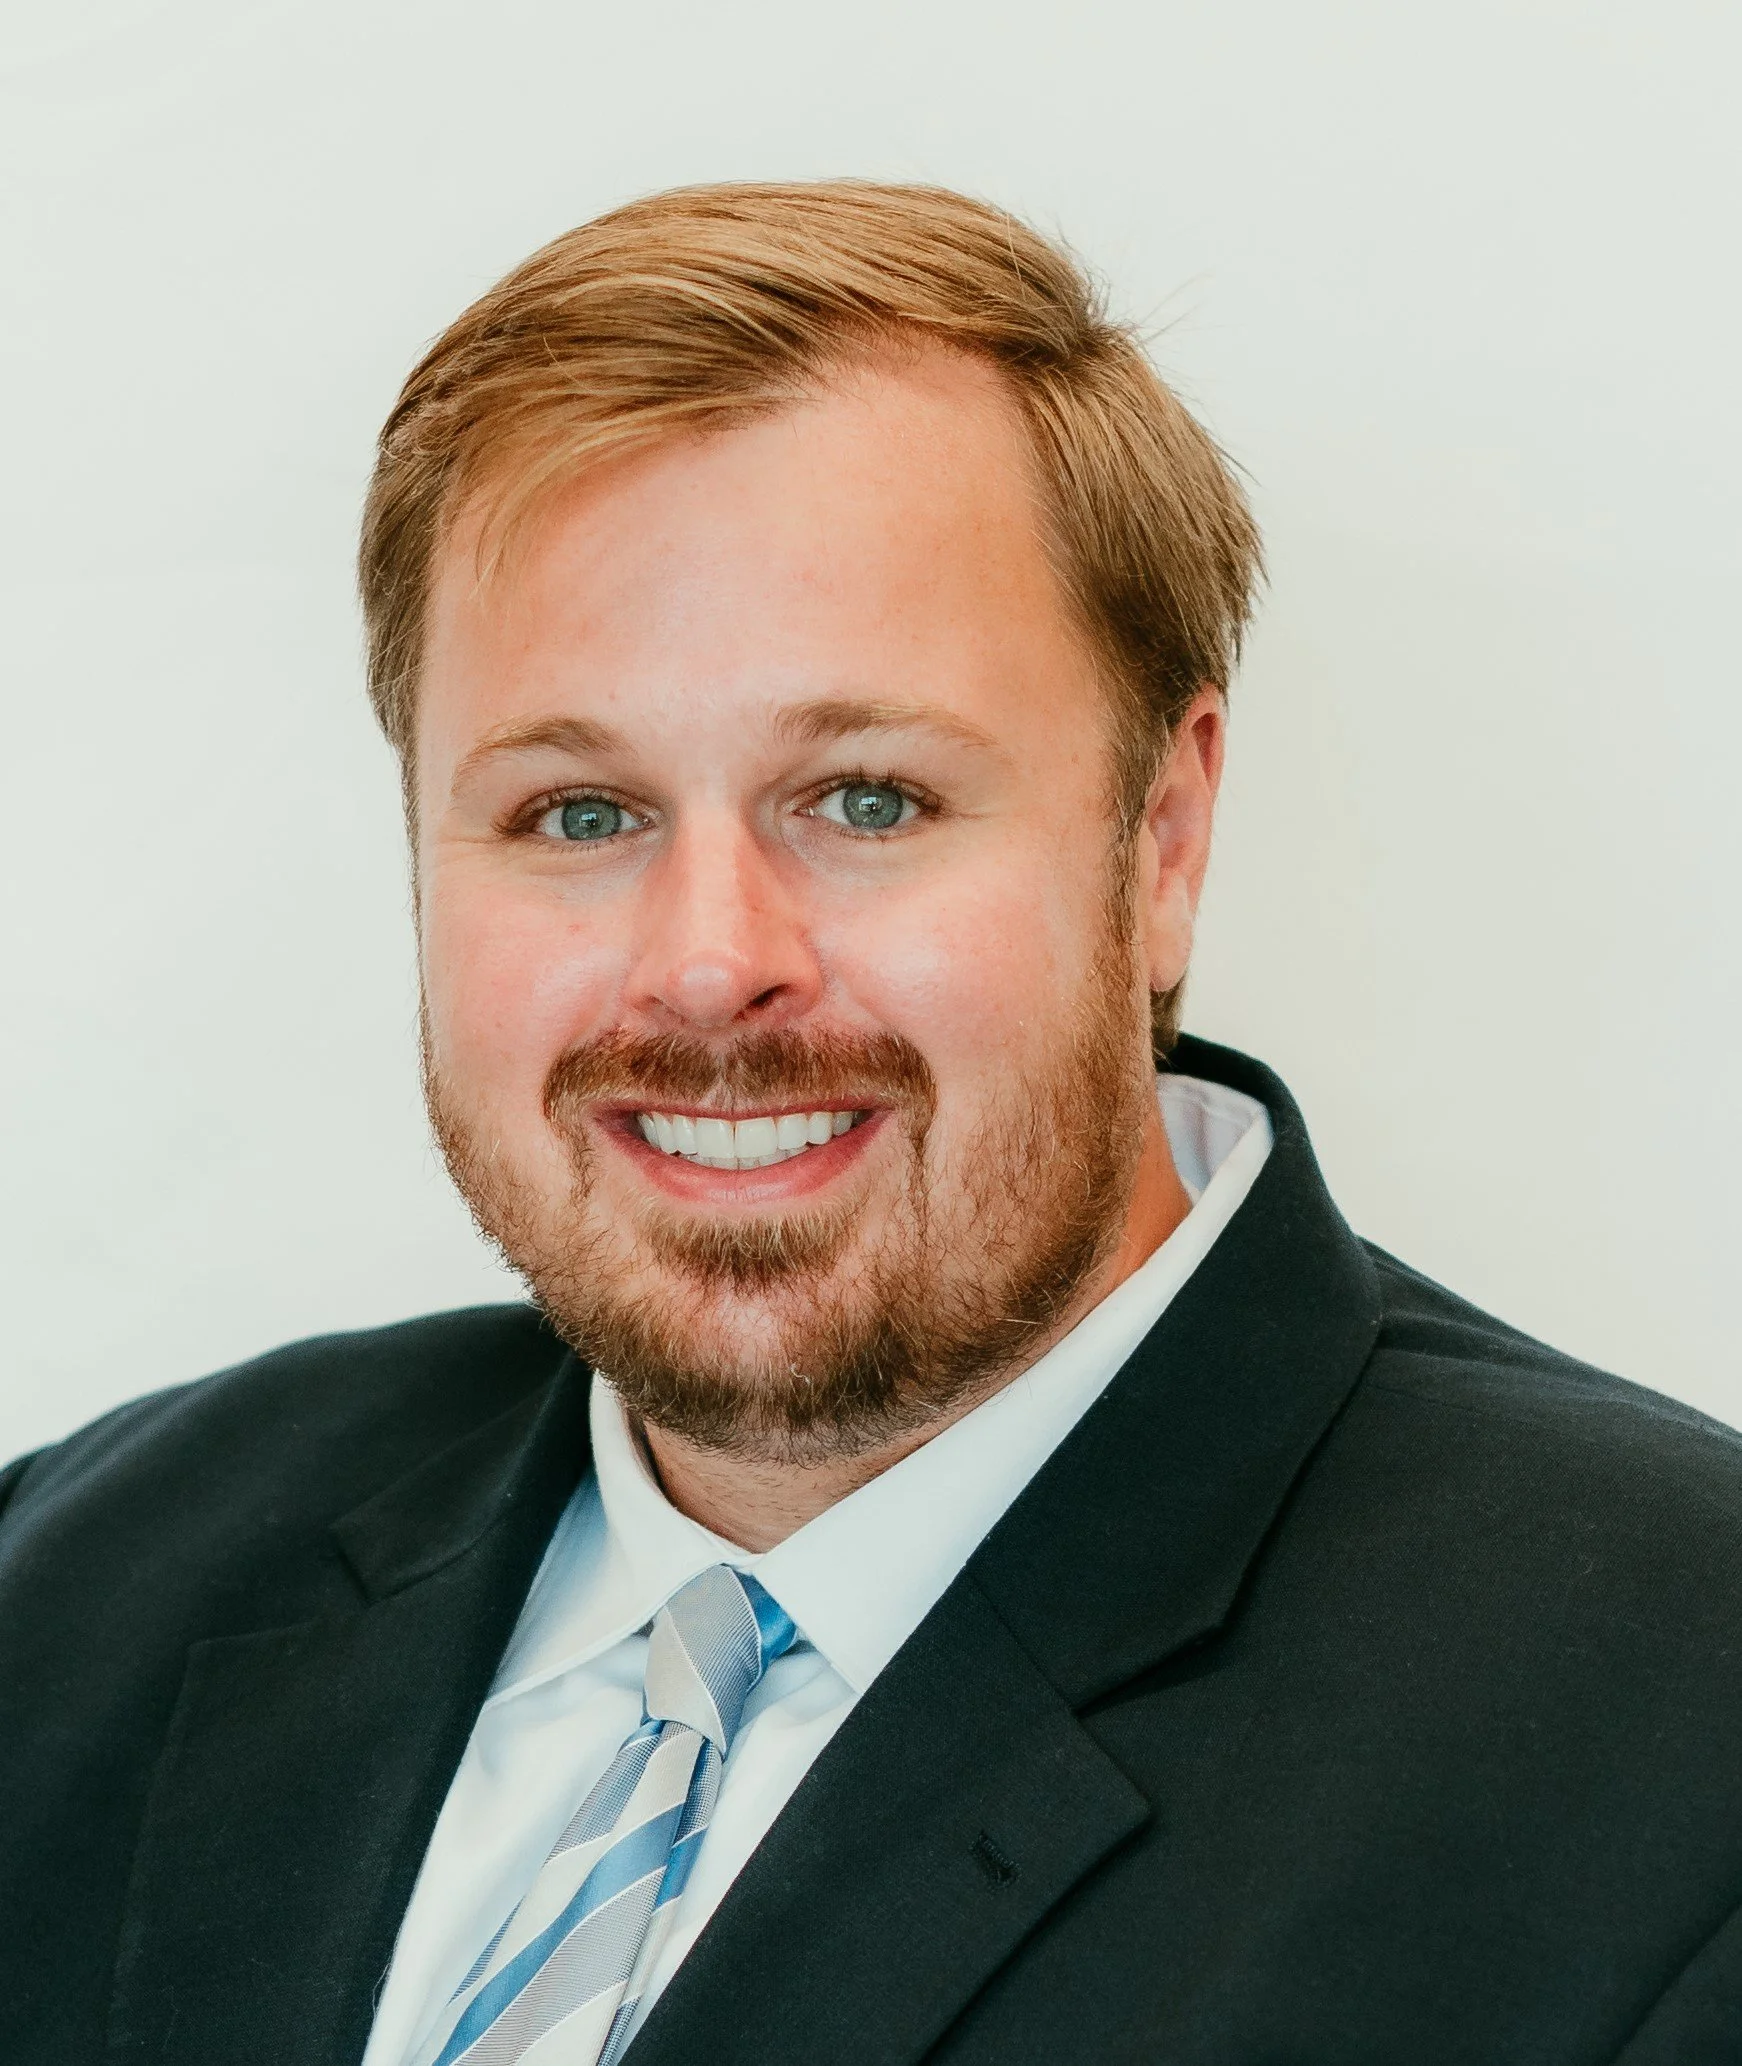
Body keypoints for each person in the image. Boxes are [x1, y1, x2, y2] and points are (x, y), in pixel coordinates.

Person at [2, 181, 1739, 2066]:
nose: (707, 966)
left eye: (867, 797)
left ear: (1159, 840)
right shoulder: (76, 1584)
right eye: (575, 813)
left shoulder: (1680, 1745)